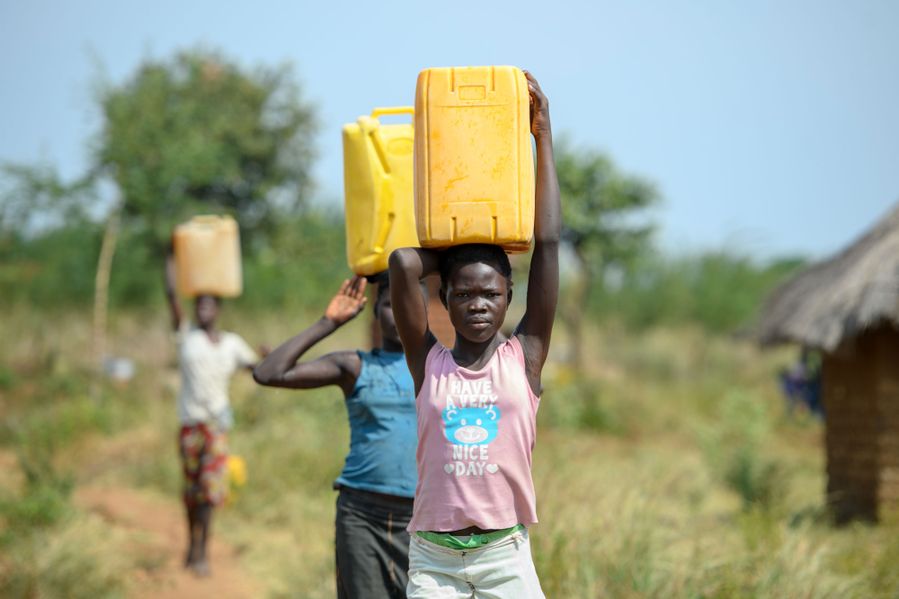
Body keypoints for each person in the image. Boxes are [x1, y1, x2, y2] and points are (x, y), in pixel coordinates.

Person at [388, 70, 559, 598]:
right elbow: (400, 263)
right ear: (444, 300)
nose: (478, 305)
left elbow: (549, 244)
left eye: (490, 293)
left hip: (504, 557)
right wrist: (461, 245)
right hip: (434, 560)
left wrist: (542, 136)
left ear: (511, 296)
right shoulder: (427, 362)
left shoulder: (525, 357)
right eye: (463, 294)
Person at [252, 273, 417, 599]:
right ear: (375, 312)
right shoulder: (355, 366)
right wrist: (329, 322)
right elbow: (268, 372)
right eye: (388, 305)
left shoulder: (443, 367)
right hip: (361, 516)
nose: (398, 314)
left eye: (408, 304)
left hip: (423, 521)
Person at [164, 249, 260, 577]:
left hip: (216, 427)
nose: (203, 309)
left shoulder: (232, 343)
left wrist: (271, 357)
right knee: (191, 492)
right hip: (190, 426)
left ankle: (203, 550)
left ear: (218, 309)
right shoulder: (186, 337)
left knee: (209, 491)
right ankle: (191, 543)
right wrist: (170, 259)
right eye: (198, 304)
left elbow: (256, 368)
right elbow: (170, 295)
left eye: (208, 304)